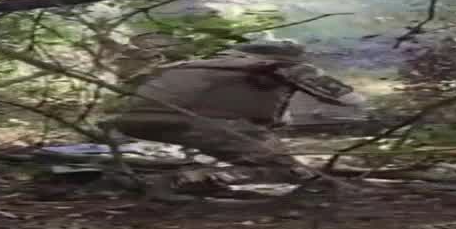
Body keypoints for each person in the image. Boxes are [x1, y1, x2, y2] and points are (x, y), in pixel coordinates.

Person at [106, 40, 365, 196]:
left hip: (138, 121)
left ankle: (144, 175)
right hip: (204, 122)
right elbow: (348, 99)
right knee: (279, 167)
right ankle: (174, 182)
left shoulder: (196, 64)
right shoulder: (278, 66)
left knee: (253, 155)